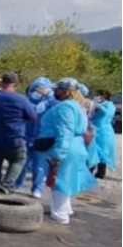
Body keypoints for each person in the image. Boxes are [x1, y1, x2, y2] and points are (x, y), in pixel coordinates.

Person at [37, 78, 96, 224]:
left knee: (59, 181)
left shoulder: (65, 108)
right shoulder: (77, 106)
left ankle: (60, 215)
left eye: (57, 89)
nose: (54, 91)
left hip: (66, 149)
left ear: (66, 91)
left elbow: (65, 133)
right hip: (75, 146)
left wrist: (57, 155)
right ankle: (66, 209)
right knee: (67, 180)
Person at [0, 71, 36, 194]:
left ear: (2, 82)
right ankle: (7, 184)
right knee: (18, 160)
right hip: (15, 138)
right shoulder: (21, 99)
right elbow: (32, 116)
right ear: (16, 84)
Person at [16, 77, 55, 198]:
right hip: (25, 136)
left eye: (44, 89)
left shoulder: (50, 102)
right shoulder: (26, 101)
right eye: (39, 88)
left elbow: (56, 104)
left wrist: (48, 96)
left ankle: (37, 188)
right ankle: (17, 184)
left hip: (42, 138)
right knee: (21, 163)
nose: (41, 91)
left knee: (40, 166)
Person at [87, 89, 117, 179]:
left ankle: (101, 172)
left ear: (104, 96)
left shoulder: (109, 105)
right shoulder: (98, 105)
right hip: (94, 128)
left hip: (104, 131)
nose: (97, 97)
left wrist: (98, 106)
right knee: (92, 150)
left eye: (99, 95)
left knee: (102, 151)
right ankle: (90, 170)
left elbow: (106, 113)